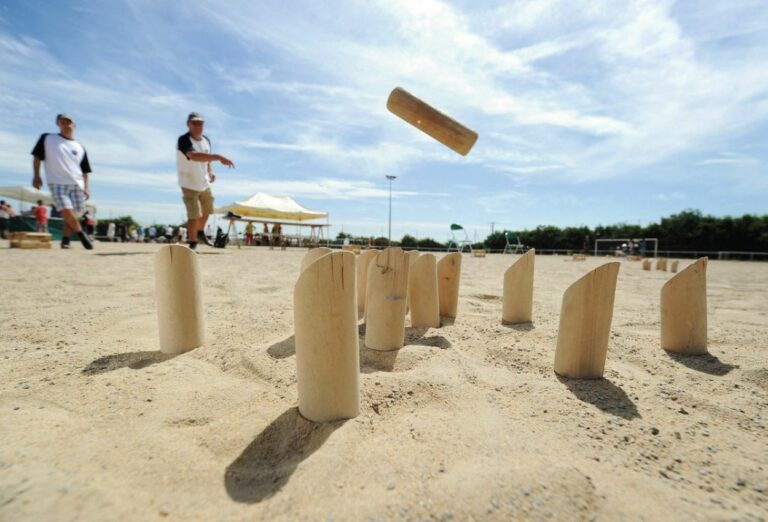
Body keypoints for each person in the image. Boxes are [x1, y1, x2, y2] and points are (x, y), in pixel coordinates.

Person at [31, 113, 93, 249]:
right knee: (66, 210)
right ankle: (81, 234)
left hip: (77, 184)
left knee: (74, 215)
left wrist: (86, 187)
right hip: (57, 182)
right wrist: (36, 175)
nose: (65, 124)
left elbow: (85, 171)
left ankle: (65, 240)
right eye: (62, 122)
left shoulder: (80, 147)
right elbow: (37, 157)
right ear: (58, 124)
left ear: (74, 125)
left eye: (68, 122)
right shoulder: (48, 138)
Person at [176, 112, 234, 250]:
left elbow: (206, 158)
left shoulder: (206, 140)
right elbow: (194, 156)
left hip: (204, 182)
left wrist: (210, 171)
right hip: (188, 183)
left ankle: (200, 232)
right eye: (194, 123)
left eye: (200, 123)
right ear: (188, 124)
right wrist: (218, 157)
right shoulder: (184, 140)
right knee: (194, 215)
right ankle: (193, 242)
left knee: (208, 209)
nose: (197, 126)